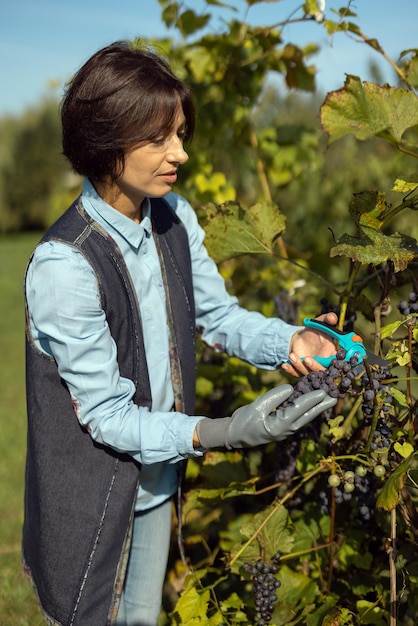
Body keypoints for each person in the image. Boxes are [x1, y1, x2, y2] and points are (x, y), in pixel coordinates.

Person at [23, 40, 338, 626]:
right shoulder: (64, 266)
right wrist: (224, 431)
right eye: (160, 138)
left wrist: (292, 341)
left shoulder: (173, 218)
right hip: (92, 501)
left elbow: (217, 317)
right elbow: (108, 418)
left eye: (181, 134)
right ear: (106, 140)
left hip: (159, 479)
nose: (181, 154)